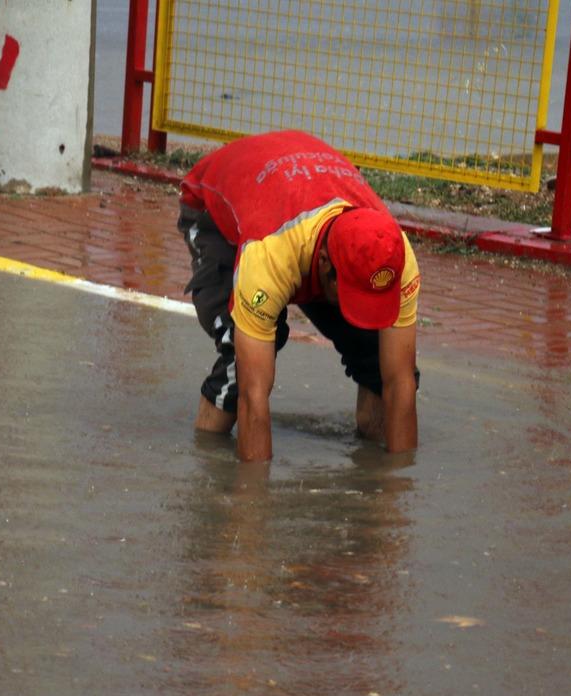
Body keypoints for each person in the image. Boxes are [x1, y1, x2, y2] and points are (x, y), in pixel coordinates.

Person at [177, 130, 420, 462]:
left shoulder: (395, 256)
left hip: (302, 202)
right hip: (220, 215)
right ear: (322, 265)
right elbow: (254, 395)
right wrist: (252, 502)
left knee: (376, 352)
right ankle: (205, 455)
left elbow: (400, 381)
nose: (360, 309)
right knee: (241, 358)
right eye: (352, 296)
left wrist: (397, 489)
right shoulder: (270, 252)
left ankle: (372, 453)